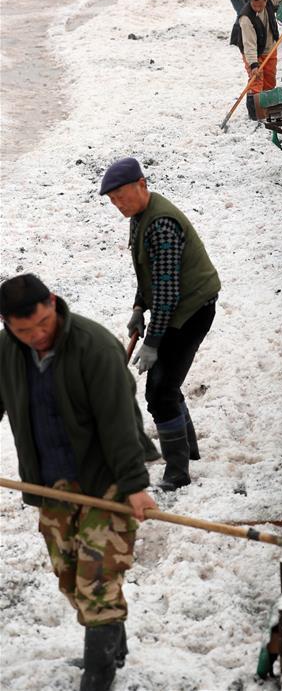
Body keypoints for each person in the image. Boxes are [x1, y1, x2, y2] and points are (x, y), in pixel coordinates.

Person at [0, 273, 157, 691]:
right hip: (52, 483)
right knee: (70, 576)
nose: (36, 336)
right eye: (23, 330)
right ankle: (111, 645)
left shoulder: (95, 347)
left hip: (106, 479)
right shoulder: (7, 351)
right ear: (7, 326)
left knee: (99, 579)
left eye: (42, 324)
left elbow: (120, 422)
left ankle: (99, 673)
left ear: (52, 303)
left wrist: (135, 484)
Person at [100, 158, 221, 491]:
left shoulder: (160, 225)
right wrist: (139, 307)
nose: (118, 204)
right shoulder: (140, 217)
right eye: (112, 200)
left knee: (159, 390)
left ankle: (177, 472)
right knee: (166, 384)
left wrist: (152, 342)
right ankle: (189, 449)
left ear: (142, 184)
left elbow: (167, 293)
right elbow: (149, 272)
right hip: (178, 305)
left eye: (122, 195)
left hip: (192, 309)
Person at [230, 0, 282, 115]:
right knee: (256, 79)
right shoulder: (246, 18)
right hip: (251, 50)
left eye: (260, 6)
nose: (257, 9)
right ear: (250, 2)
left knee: (270, 78)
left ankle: (268, 108)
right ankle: (256, 113)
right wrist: (254, 64)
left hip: (269, 46)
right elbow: (249, 44)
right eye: (254, 6)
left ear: (266, 0)